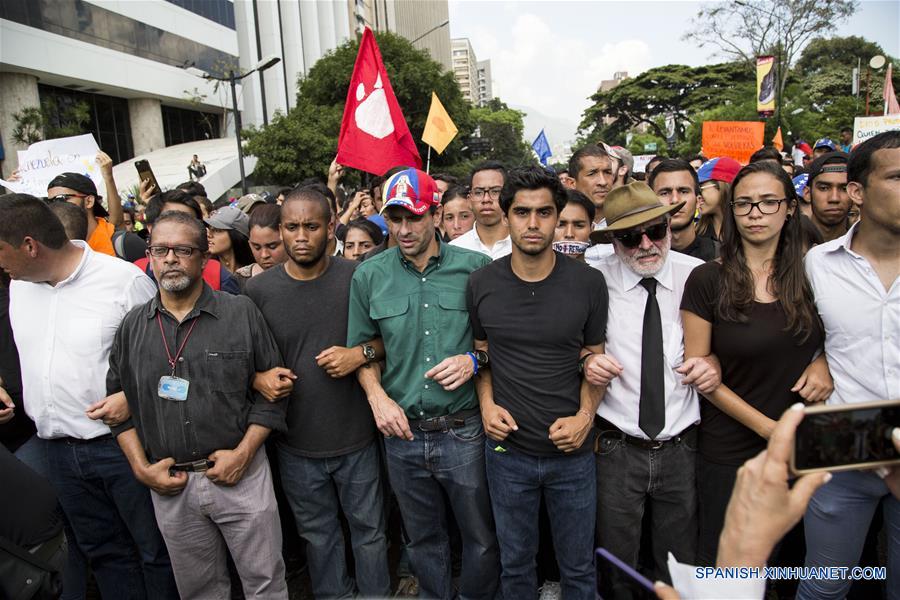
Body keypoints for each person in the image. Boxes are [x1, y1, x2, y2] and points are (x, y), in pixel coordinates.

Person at [0, 194, 177, 599]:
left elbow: (171, 360)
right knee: (103, 553)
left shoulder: (123, 281)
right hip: (57, 453)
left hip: (123, 446)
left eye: (1, 251)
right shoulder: (20, 289)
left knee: (155, 550)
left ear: (30, 246)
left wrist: (131, 398)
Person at [108, 210, 288, 598]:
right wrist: (141, 469)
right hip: (172, 485)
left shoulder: (240, 313)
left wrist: (244, 453)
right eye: (160, 249)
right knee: (199, 591)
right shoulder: (132, 328)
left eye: (182, 249)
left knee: (265, 584)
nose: (170, 258)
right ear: (150, 256)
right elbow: (117, 411)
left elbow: (274, 394)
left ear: (204, 256)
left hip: (242, 475)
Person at [347, 168, 499, 600]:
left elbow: (498, 345)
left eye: (413, 217)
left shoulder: (476, 269)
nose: (404, 229)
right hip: (403, 434)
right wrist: (377, 399)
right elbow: (361, 349)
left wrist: (473, 359)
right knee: (422, 540)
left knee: (480, 536)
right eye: (394, 219)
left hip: (464, 429)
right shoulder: (369, 275)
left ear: (435, 214)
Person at [467, 166, 608, 599]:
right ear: (505, 216)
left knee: (580, 569)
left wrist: (586, 416)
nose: (533, 223)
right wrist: (487, 406)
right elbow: (482, 356)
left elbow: (593, 358)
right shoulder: (481, 284)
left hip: (573, 453)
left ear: (557, 215)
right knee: (515, 567)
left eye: (544, 212)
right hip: (508, 452)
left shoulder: (588, 282)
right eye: (522, 212)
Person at [680, 161, 830, 566]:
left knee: (796, 565)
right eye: (744, 204)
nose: (755, 213)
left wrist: (824, 363)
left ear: (790, 208)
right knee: (731, 564)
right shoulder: (707, 279)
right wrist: (768, 429)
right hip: (731, 446)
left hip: (806, 441)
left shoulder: (816, 273)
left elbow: (849, 337)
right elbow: (700, 372)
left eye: (767, 203)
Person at [246, 188, 390, 598]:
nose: (302, 236)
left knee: (370, 532)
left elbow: (386, 340)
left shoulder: (357, 277)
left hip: (357, 438)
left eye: (312, 226)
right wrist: (259, 379)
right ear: (281, 231)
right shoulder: (258, 293)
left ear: (331, 228)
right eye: (292, 227)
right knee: (318, 537)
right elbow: (246, 362)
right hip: (295, 443)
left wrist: (356, 354)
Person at [583, 182, 720, 593]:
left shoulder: (696, 275)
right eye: (629, 237)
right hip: (617, 448)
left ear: (669, 227)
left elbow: (726, 342)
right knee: (617, 561)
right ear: (612, 242)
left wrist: (713, 362)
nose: (645, 244)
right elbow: (565, 338)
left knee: (679, 560)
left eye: (656, 231)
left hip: (683, 447)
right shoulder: (592, 279)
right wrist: (585, 360)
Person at [798, 130, 900, 600]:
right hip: (844, 451)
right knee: (824, 589)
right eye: (897, 177)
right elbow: (803, 339)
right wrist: (818, 357)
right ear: (857, 191)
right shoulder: (817, 265)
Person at [135, 190, 241, 294]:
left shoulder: (219, 276)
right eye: (171, 221)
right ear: (150, 228)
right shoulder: (135, 276)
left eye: (188, 222)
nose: (170, 259)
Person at [47, 161, 124, 255]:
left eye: (62, 198)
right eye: (50, 202)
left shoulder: (120, 243)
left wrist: (109, 178)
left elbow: (117, 220)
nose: (56, 206)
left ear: (89, 201)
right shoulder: (49, 251)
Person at [649, 159, 718, 261]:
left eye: (683, 191)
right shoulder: (642, 258)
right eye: (664, 193)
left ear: (698, 201)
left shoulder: (723, 255)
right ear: (651, 202)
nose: (675, 200)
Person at [450, 161, 512, 259]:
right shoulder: (454, 250)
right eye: (478, 192)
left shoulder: (523, 245)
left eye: (495, 191)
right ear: (469, 200)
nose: (486, 199)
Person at [804, 151, 851, 243]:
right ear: (807, 193)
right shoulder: (785, 244)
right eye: (824, 188)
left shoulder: (867, 249)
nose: (834, 198)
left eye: (844, 189)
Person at [234, 204, 288, 283]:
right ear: (249, 244)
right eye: (257, 247)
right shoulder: (240, 279)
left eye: (272, 246)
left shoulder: (307, 276)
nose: (264, 255)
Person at [569, 143, 618, 228]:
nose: (603, 182)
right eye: (592, 174)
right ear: (572, 183)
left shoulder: (630, 222)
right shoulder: (558, 227)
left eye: (607, 172)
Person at [696, 157, 741, 240]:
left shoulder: (748, 233)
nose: (697, 196)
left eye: (700, 188)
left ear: (722, 187)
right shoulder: (695, 234)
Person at [205, 205, 254, 273]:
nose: (209, 235)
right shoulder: (205, 270)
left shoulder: (256, 269)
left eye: (217, 230)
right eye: (210, 229)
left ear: (236, 235)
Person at [552, 189, 594, 262]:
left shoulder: (600, 273)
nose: (569, 234)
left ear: (592, 230)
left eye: (579, 225)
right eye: (560, 225)